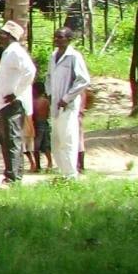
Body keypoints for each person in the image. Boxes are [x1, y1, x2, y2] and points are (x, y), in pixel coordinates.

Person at [0, 18, 36, 184]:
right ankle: (11, 174)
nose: (0, 35)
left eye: (3, 33)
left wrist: (15, 93)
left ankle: (13, 177)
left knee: (12, 139)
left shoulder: (16, 51)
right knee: (8, 139)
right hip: (5, 104)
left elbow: (30, 71)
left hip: (12, 104)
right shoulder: (9, 52)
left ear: (10, 35)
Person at [48, 25, 92, 178]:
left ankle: (71, 174)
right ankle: (62, 172)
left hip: (68, 105)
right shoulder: (53, 55)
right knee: (56, 139)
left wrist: (67, 98)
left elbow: (83, 79)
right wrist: (49, 94)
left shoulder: (74, 56)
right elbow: (49, 77)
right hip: (54, 103)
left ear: (69, 39)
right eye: (55, 36)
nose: (57, 40)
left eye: (60, 37)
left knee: (68, 138)